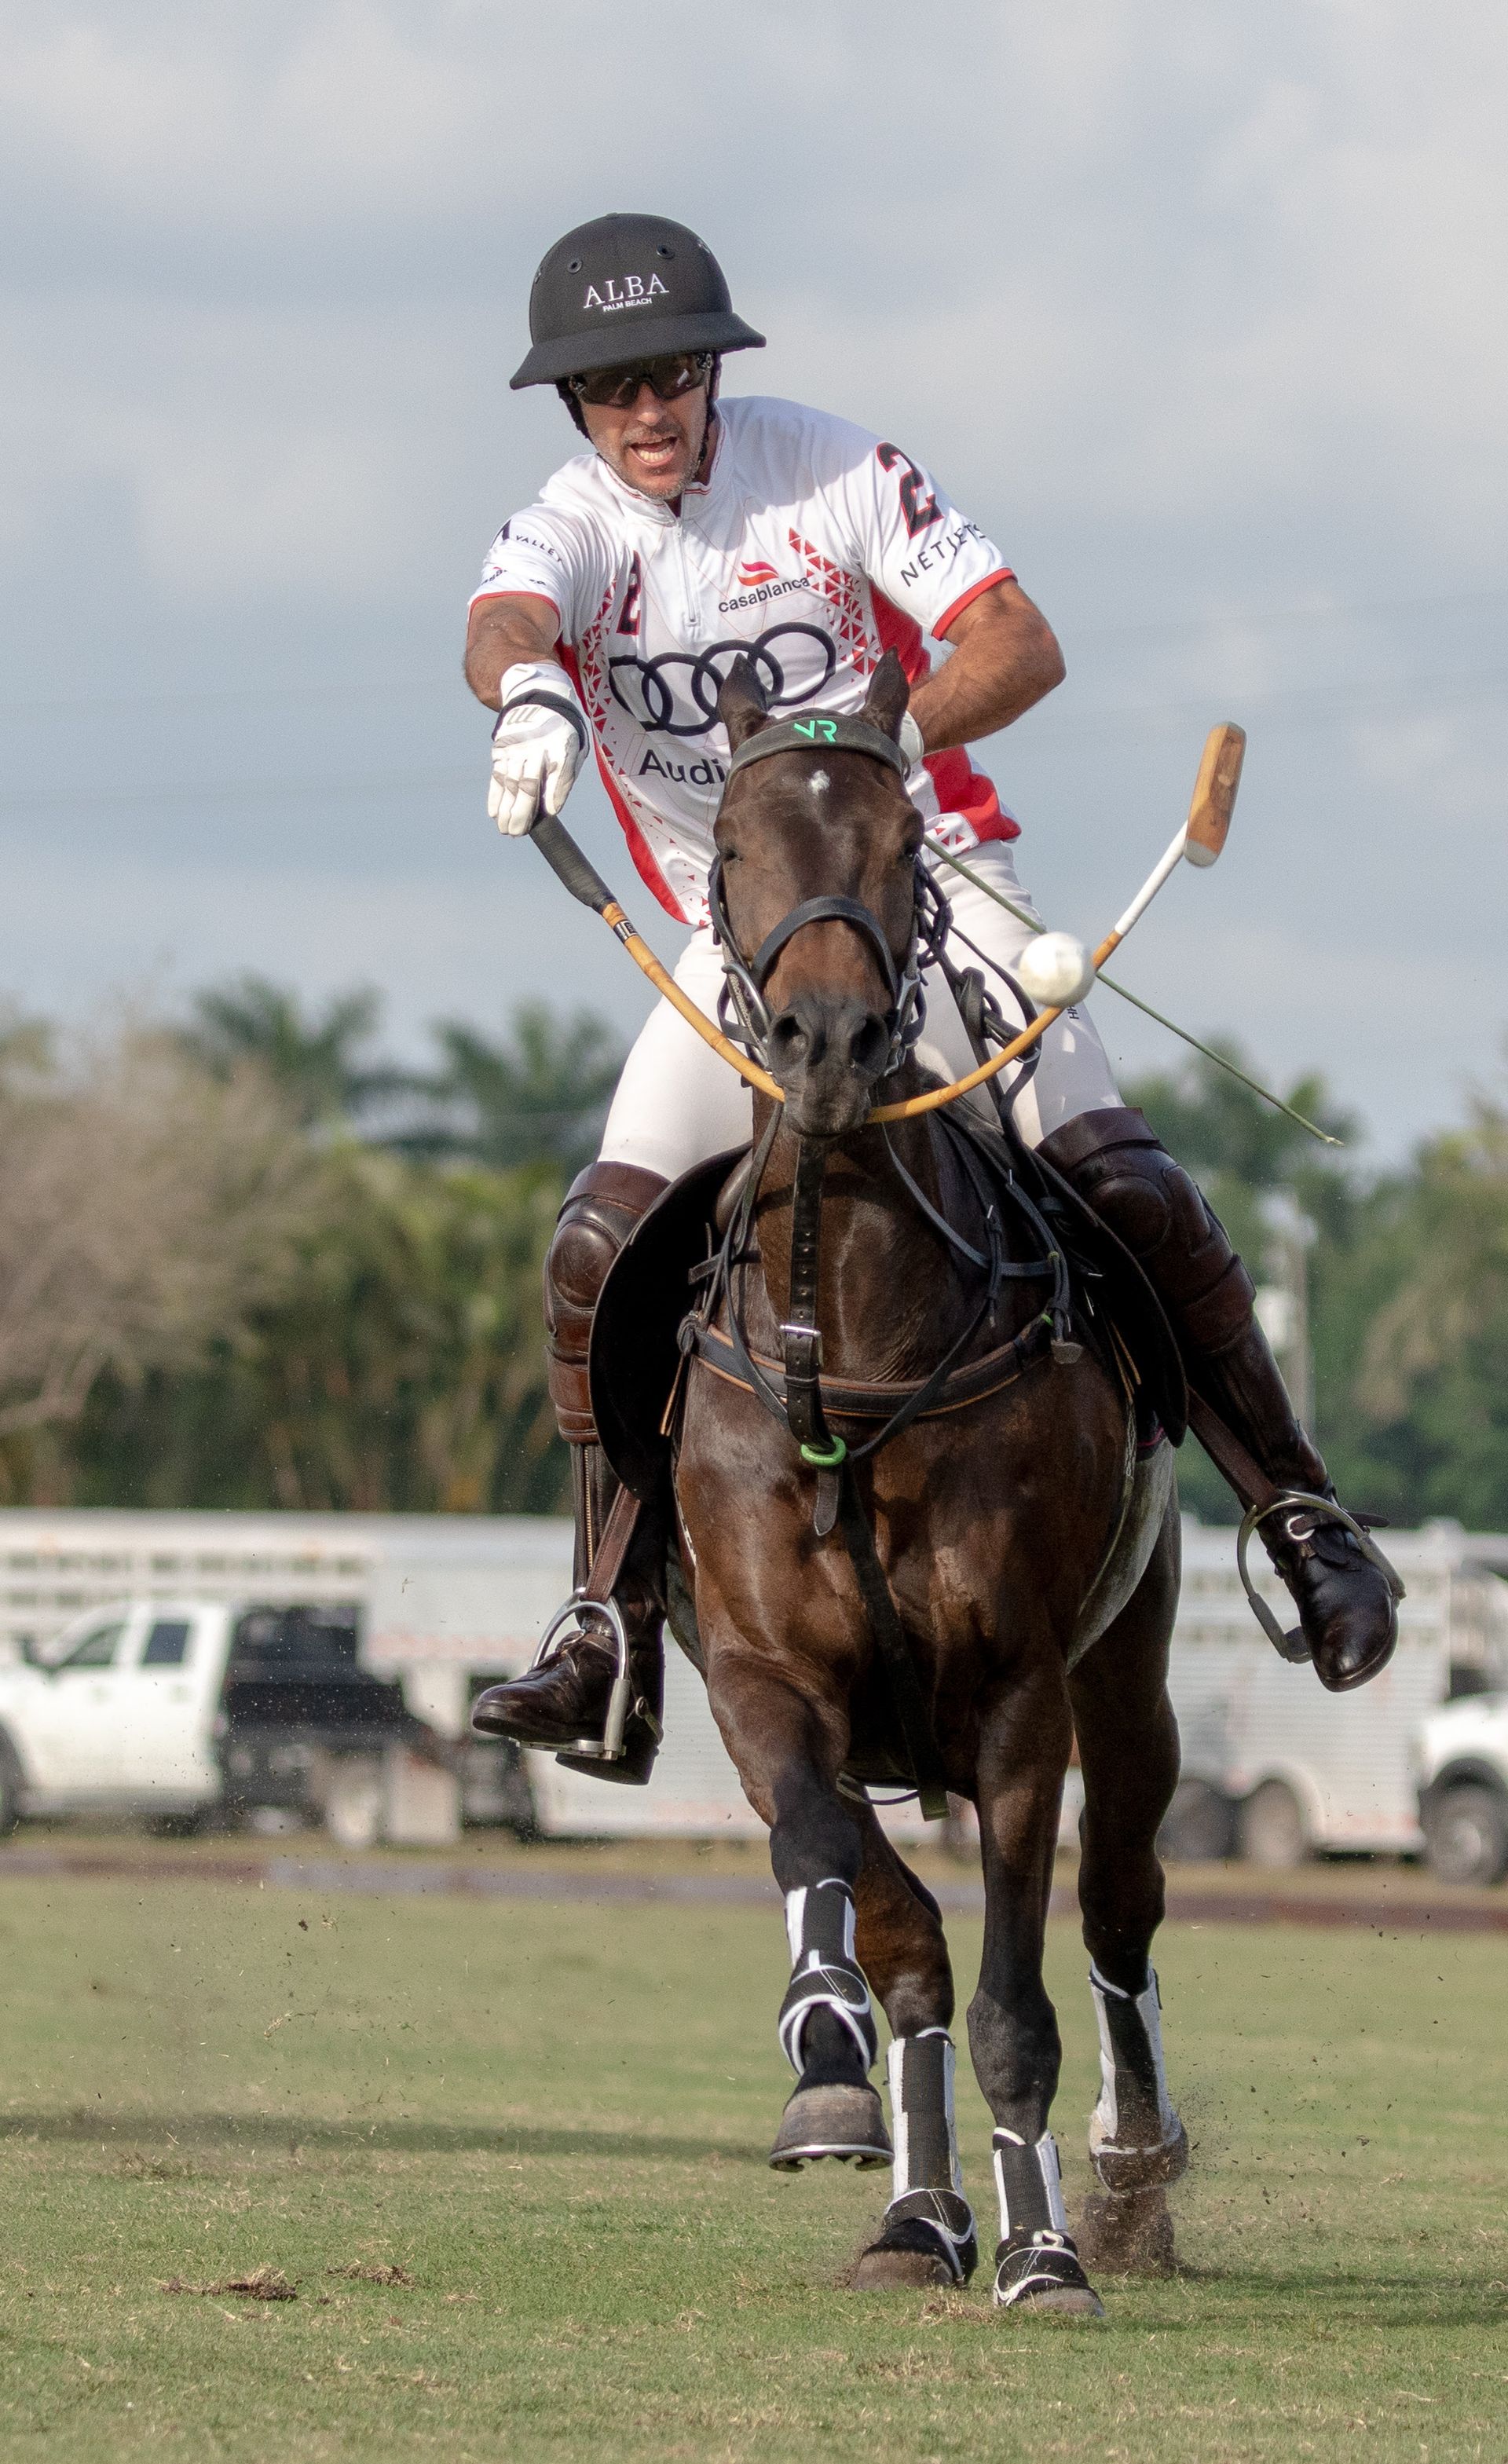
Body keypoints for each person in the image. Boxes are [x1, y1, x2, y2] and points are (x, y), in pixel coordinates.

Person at [463, 212, 1396, 1784]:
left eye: (671, 371)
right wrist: (537, 688)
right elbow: (507, 621)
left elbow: (1018, 642)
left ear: (712, 369)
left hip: (928, 877)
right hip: (745, 933)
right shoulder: (569, 528)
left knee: (1120, 1171)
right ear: (574, 404)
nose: (647, 407)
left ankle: (1302, 1518)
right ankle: (605, 1621)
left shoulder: (828, 470)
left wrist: (863, 739)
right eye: (612, 383)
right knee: (599, 1233)